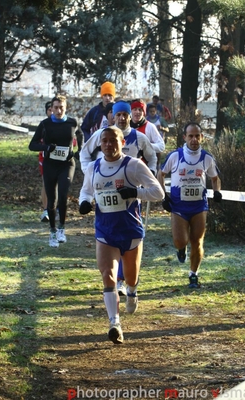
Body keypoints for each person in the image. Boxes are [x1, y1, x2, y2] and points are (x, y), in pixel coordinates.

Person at [79, 126, 164, 344]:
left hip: (130, 231)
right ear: (100, 143)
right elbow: (87, 191)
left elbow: (158, 192)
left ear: (122, 142)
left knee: (131, 276)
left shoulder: (133, 165)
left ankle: (133, 290)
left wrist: (135, 192)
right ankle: (114, 323)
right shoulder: (93, 167)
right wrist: (84, 202)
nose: (108, 145)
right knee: (107, 274)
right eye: (104, 141)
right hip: (105, 230)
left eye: (113, 140)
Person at [79, 100, 158, 296]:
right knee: (111, 234)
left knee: (128, 233)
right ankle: (118, 280)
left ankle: (127, 281)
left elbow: (152, 156)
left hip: (130, 192)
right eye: (118, 115)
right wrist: (90, 173)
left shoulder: (139, 138)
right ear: (112, 117)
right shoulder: (101, 135)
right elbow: (84, 154)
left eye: (125, 114)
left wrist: (150, 175)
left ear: (130, 116)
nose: (122, 118)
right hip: (105, 187)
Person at [157, 122, 222, 289]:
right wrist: (164, 196)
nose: (194, 139)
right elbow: (161, 174)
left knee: (197, 241)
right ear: (184, 137)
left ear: (201, 137)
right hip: (179, 206)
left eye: (197, 136)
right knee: (180, 241)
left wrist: (217, 192)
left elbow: (215, 178)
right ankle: (181, 249)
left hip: (199, 206)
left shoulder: (207, 158)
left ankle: (193, 274)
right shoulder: (175, 156)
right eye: (190, 136)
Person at [29, 95, 83, 248]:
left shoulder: (72, 122)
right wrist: (46, 148)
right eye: (56, 108)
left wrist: (80, 150)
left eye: (62, 108)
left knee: (64, 195)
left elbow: (80, 135)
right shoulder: (45, 124)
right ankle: (52, 231)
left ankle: (61, 229)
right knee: (52, 200)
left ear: (66, 108)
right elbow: (32, 145)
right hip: (50, 165)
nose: (59, 111)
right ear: (51, 109)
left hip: (66, 164)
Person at [39, 101, 52, 222]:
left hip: (60, 158)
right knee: (45, 182)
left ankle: (55, 208)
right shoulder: (43, 125)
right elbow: (35, 142)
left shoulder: (65, 123)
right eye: (50, 110)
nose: (52, 112)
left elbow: (72, 141)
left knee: (58, 183)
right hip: (45, 157)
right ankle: (45, 210)